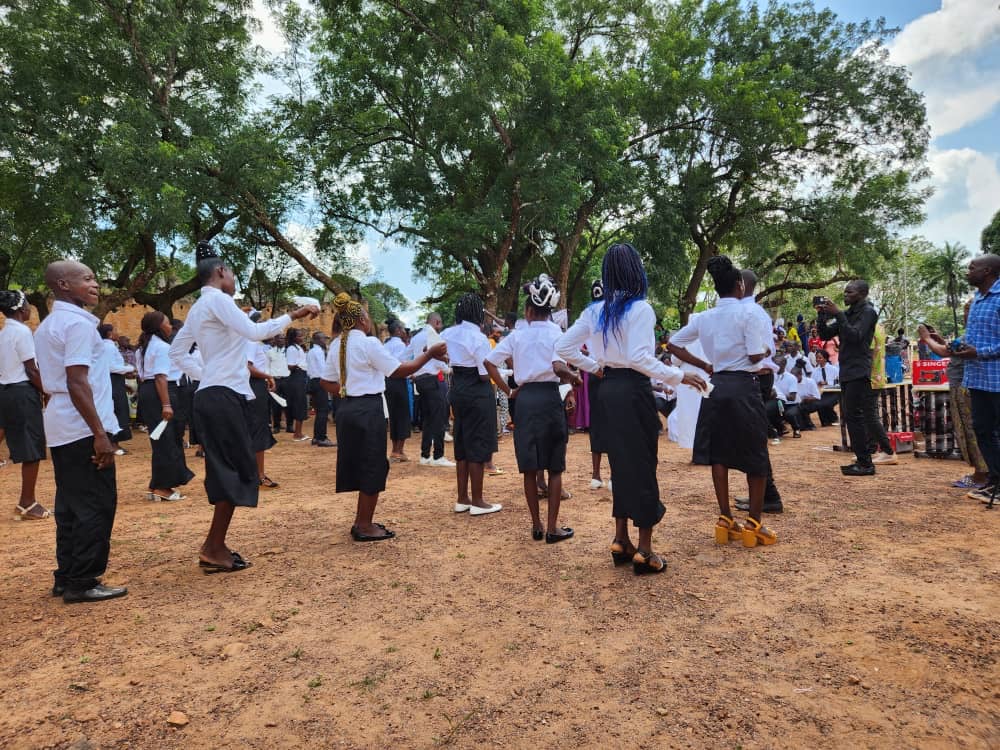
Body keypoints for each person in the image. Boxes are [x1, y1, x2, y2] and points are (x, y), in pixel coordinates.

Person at [169, 241, 318, 573]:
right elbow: (254, 331)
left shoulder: (197, 308)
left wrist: (208, 375)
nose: (235, 278)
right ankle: (212, 547)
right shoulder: (219, 300)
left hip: (213, 394)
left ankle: (215, 545)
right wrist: (293, 315)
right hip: (222, 396)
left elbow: (177, 355)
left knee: (232, 469)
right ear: (221, 272)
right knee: (234, 471)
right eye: (232, 272)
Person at [558, 242, 705, 574]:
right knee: (641, 464)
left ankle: (620, 539)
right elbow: (640, 358)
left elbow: (562, 346)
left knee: (620, 465)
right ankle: (645, 550)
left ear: (608, 274)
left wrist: (594, 366)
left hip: (607, 391)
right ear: (636, 270)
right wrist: (679, 376)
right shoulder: (640, 309)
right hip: (632, 390)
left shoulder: (595, 310)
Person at [321, 293, 448, 540]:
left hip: (346, 409)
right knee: (373, 465)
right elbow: (400, 371)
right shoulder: (368, 344)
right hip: (368, 409)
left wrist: (348, 390)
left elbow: (326, 382)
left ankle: (362, 520)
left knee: (360, 464)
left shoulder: (337, 344)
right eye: (368, 317)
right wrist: (429, 355)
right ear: (361, 320)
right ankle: (364, 525)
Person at [670, 256, 777, 548]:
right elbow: (756, 355)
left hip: (716, 388)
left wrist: (704, 365)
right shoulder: (750, 314)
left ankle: (725, 519)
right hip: (744, 386)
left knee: (719, 454)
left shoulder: (704, 317)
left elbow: (673, 344)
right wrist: (768, 345)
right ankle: (753, 524)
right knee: (756, 453)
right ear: (740, 286)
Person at [35, 261, 126, 602]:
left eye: (95, 277)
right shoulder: (77, 325)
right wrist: (99, 433)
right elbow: (77, 381)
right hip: (81, 426)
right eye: (86, 279)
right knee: (96, 504)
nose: (95, 284)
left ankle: (67, 575)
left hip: (62, 424)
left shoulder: (48, 325)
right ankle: (83, 581)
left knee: (70, 505)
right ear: (63, 284)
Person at [485, 274, 576, 542]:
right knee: (555, 466)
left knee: (529, 465)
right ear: (550, 311)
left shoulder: (517, 336)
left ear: (528, 310)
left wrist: (508, 390)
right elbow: (563, 368)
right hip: (549, 397)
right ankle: (552, 528)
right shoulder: (559, 334)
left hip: (524, 400)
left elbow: (490, 362)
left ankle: (536, 525)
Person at [816, 280, 896, 475]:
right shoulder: (849, 313)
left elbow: (856, 336)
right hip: (847, 369)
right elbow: (826, 333)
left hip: (859, 370)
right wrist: (821, 315)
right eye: (845, 292)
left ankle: (866, 463)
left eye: (849, 292)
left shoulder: (867, 312)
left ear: (862, 293)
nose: (845, 295)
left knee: (856, 416)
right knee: (851, 416)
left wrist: (839, 314)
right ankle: (863, 460)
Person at [441, 294, 502, 515]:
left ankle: (462, 498)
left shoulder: (447, 333)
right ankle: (478, 501)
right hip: (477, 390)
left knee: (463, 441)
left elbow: (441, 356)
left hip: (458, 387)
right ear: (477, 313)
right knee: (477, 443)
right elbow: (485, 374)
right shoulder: (477, 338)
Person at [918, 314, 990, 491]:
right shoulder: (984, 334)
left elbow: (944, 352)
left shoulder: (973, 335)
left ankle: (981, 474)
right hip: (975, 387)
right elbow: (953, 350)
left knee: (969, 431)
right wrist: (940, 339)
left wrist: (926, 338)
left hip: (964, 388)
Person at [950, 254, 1000, 505]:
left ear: (988, 270)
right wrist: (957, 346)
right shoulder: (978, 299)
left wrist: (979, 353)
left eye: (972, 267)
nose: (968, 271)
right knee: (983, 431)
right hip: (978, 380)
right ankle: (995, 481)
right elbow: (975, 339)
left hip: (997, 380)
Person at [0, 290, 50, 520]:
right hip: (22, 393)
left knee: (21, 442)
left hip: (7, 392)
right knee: (31, 448)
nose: (31, 309)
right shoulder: (21, 332)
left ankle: (26, 502)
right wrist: (47, 391)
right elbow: (31, 369)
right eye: (29, 305)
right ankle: (27, 503)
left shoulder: (4, 333)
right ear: (22, 310)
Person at [137, 311, 194, 502]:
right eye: (168, 323)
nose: (171, 327)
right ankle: (162, 487)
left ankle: (159, 484)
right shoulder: (160, 347)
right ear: (160, 327)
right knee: (166, 440)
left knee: (163, 439)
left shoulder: (145, 347)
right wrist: (166, 404)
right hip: (161, 392)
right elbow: (161, 377)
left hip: (150, 391)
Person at [406, 313, 453, 467]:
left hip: (419, 381)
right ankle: (438, 456)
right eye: (440, 324)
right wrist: (448, 368)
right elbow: (438, 361)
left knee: (427, 419)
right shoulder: (434, 337)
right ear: (437, 322)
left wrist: (411, 372)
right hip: (432, 380)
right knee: (438, 418)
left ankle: (425, 455)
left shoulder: (416, 337)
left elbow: (405, 356)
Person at [584, 279, 612, 491]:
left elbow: (568, 346)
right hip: (611, 371)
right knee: (614, 422)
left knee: (597, 422)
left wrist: (588, 361)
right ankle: (613, 476)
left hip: (594, 372)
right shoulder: (613, 311)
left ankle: (595, 475)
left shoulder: (587, 314)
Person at [246, 325, 281, 489]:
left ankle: (255, 473)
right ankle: (258, 474)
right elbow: (249, 367)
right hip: (253, 387)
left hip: (255, 386)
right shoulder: (251, 343)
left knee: (255, 429)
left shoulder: (252, 343)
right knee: (258, 429)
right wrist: (268, 376)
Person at [98, 323, 134, 448]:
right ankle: (113, 443)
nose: (118, 333)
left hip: (115, 381)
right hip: (112, 381)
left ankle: (114, 442)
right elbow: (110, 367)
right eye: (115, 330)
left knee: (118, 409)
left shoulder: (109, 346)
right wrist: (129, 368)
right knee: (117, 410)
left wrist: (123, 384)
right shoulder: (108, 347)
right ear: (110, 334)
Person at [383, 320, 411, 460]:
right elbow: (402, 363)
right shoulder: (400, 345)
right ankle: (398, 451)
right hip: (398, 380)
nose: (406, 332)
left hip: (387, 382)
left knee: (393, 415)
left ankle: (395, 449)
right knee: (402, 414)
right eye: (404, 329)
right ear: (399, 330)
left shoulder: (385, 345)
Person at [306, 330, 335, 447]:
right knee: (323, 410)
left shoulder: (312, 351)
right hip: (319, 381)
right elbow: (324, 369)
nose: (325, 341)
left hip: (313, 381)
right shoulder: (317, 352)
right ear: (316, 340)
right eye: (323, 338)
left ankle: (316, 437)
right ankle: (321, 437)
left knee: (319, 411)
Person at [283, 327, 310, 441]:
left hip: (302, 375)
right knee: (299, 403)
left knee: (302, 403)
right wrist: (298, 366)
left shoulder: (298, 347)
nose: (302, 337)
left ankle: (299, 432)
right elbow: (290, 365)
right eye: (299, 336)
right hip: (297, 376)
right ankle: (297, 434)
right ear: (293, 338)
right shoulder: (291, 349)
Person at [266, 334, 290, 432]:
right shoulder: (269, 352)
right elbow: (267, 367)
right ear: (275, 339)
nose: (282, 340)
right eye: (280, 338)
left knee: (288, 403)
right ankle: (276, 426)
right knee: (275, 404)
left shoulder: (289, 352)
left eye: (284, 338)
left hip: (287, 379)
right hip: (274, 380)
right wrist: (269, 380)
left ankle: (290, 425)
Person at [810, 349, 841, 426]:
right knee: (819, 404)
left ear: (825, 358)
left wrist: (828, 382)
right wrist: (817, 384)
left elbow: (839, 382)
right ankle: (824, 421)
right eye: (817, 358)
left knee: (827, 404)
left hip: (834, 392)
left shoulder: (834, 369)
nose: (818, 359)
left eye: (820, 358)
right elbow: (812, 383)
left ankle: (833, 417)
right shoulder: (815, 371)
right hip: (822, 392)